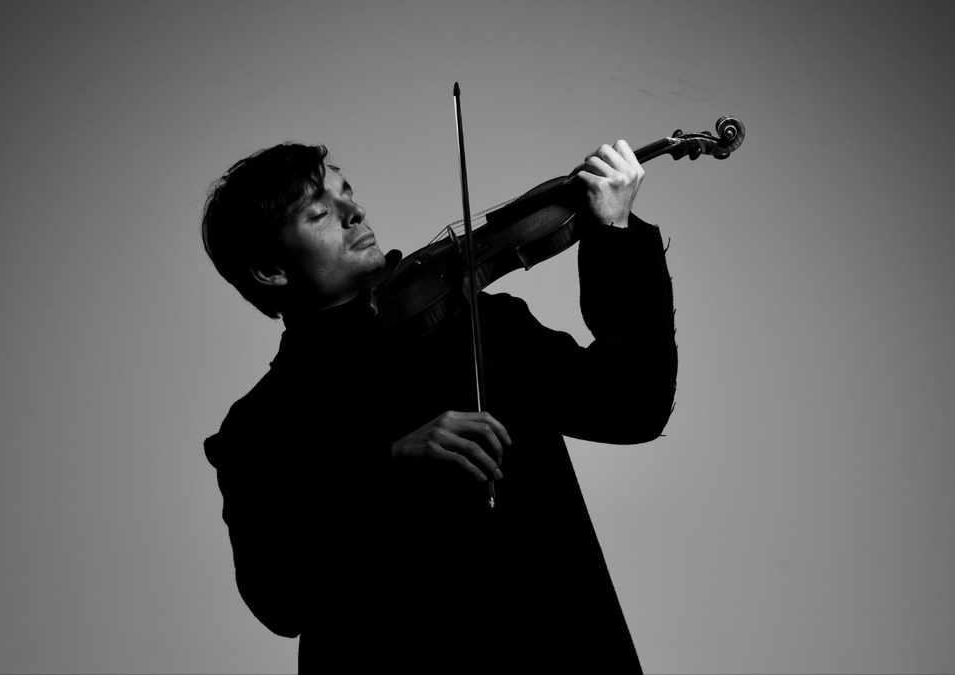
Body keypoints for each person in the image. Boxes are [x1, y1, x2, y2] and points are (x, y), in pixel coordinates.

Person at [201, 140, 677, 672]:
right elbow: (278, 597)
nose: (354, 211)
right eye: (319, 213)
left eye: (346, 192)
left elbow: (633, 404)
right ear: (271, 270)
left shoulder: (480, 324)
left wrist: (613, 231)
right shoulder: (261, 426)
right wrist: (389, 466)